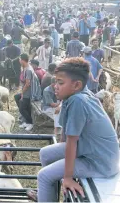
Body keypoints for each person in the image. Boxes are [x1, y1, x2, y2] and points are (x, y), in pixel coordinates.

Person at [27, 58, 119, 202]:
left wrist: (68, 177)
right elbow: (65, 134)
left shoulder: (78, 101)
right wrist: (64, 162)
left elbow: (71, 142)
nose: (55, 86)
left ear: (76, 85)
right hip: (92, 149)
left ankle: (46, 193)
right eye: (56, 81)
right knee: (44, 153)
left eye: (60, 83)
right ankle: (47, 194)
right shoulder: (75, 95)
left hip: (100, 162)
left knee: (44, 176)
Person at [14, 54, 34, 131]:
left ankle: (30, 122)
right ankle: (26, 119)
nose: (19, 61)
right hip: (25, 91)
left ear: (22, 60)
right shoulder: (25, 68)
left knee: (22, 108)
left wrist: (22, 93)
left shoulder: (28, 69)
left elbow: (28, 84)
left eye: (19, 59)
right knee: (16, 97)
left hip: (28, 92)